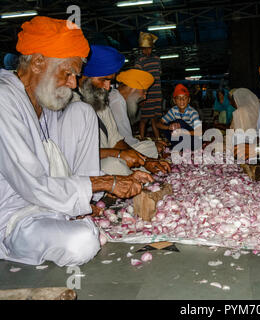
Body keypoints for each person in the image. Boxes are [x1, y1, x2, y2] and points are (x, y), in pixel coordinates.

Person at [0, 16, 153, 267]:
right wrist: (107, 181)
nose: (73, 84)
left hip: (52, 203)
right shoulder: (4, 99)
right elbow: (34, 186)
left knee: (82, 111)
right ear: (38, 62)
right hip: (14, 216)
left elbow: (58, 162)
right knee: (82, 241)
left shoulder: (44, 98)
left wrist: (85, 198)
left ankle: (79, 209)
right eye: (68, 73)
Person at [74, 45, 170, 176]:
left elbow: (116, 140)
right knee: (115, 166)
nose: (107, 87)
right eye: (103, 80)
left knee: (146, 150)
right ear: (86, 75)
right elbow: (78, 154)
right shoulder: (72, 103)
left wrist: (145, 161)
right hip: (87, 165)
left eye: (110, 81)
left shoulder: (99, 100)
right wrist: (121, 154)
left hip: (111, 155)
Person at [111, 68, 167, 158]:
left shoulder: (115, 96)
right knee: (153, 149)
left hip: (114, 146)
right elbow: (126, 140)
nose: (144, 97)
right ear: (133, 88)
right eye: (144, 91)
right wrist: (152, 145)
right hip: (112, 150)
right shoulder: (116, 102)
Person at [157, 84, 202, 150]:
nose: (182, 100)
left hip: (193, 141)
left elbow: (199, 132)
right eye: (178, 98)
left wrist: (183, 132)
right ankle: (178, 145)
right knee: (167, 125)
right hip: (179, 139)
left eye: (185, 97)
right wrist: (168, 127)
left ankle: (181, 146)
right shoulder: (173, 110)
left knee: (179, 122)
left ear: (189, 100)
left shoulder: (193, 112)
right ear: (174, 101)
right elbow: (158, 124)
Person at [135, 32, 162, 140]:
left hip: (157, 93)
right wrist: (141, 97)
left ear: (152, 47)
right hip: (146, 94)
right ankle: (141, 138)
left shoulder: (157, 59)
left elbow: (159, 74)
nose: (147, 51)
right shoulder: (139, 60)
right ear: (141, 49)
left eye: (149, 48)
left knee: (155, 118)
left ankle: (158, 138)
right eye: (144, 49)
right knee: (144, 119)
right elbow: (137, 79)